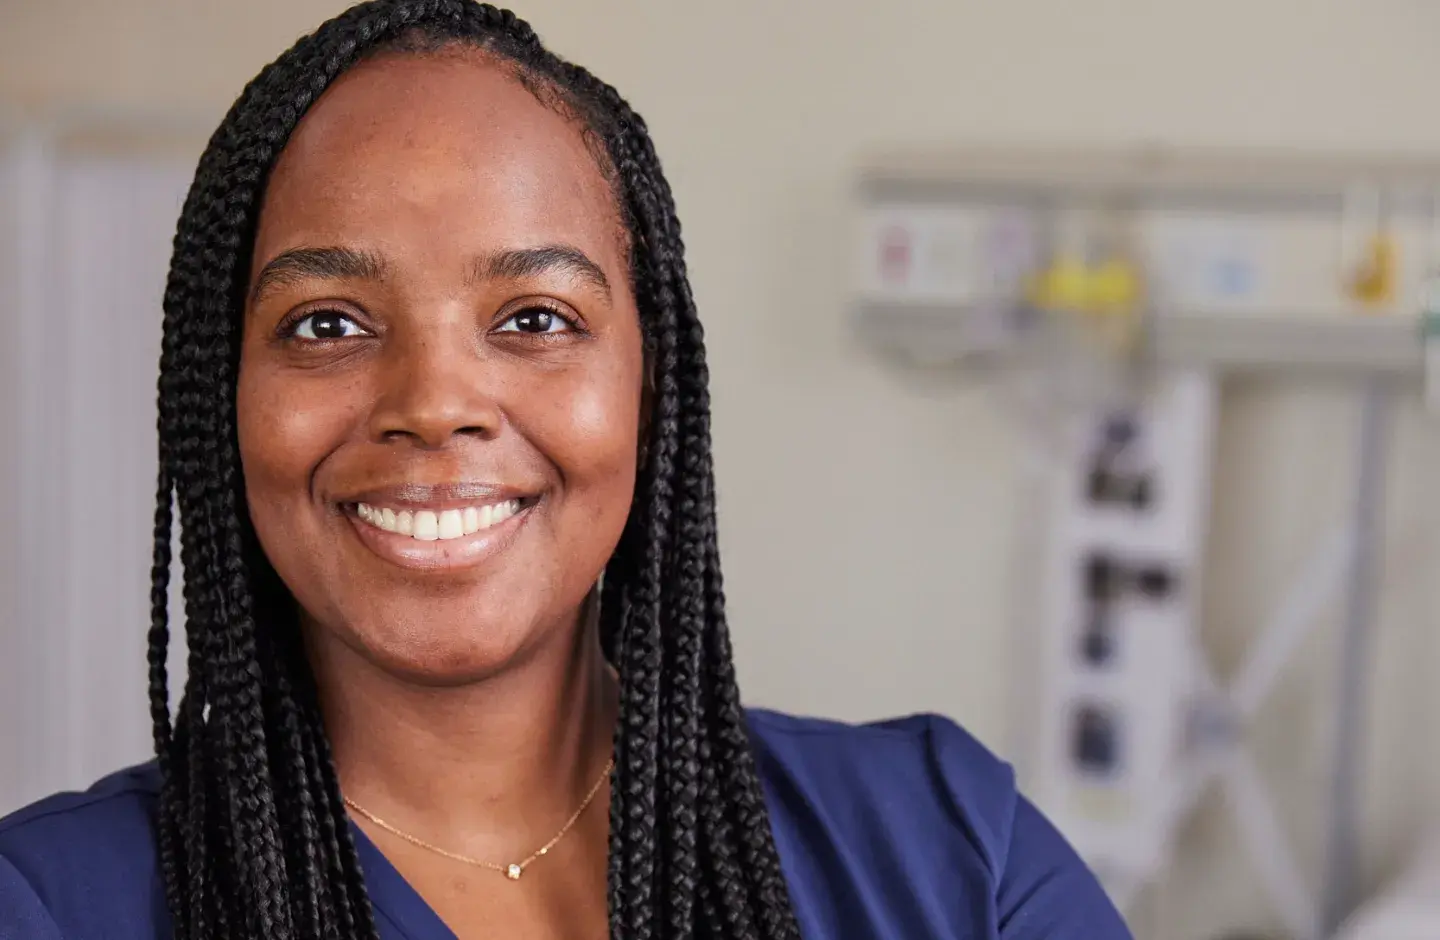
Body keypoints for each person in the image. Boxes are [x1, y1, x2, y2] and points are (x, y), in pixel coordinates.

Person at [0, 2, 1132, 938]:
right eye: (328, 324)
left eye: (535, 314)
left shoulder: (947, 854)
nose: (434, 404)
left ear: (652, 382)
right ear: (220, 397)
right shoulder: (53, 907)